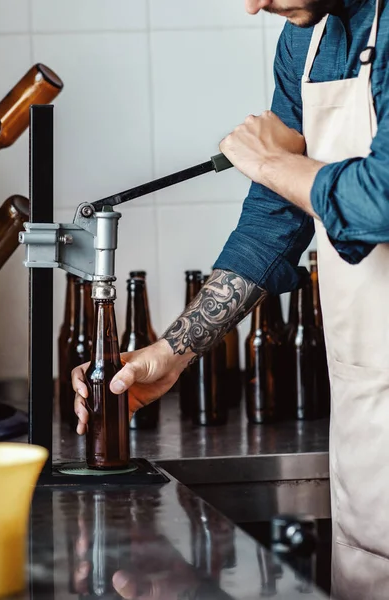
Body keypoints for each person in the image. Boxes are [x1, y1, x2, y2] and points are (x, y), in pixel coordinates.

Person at [73, 1, 389, 598]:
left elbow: (381, 200)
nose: (253, 5)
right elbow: (274, 220)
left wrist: (271, 161)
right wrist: (174, 351)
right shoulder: (310, 39)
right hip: (372, 434)